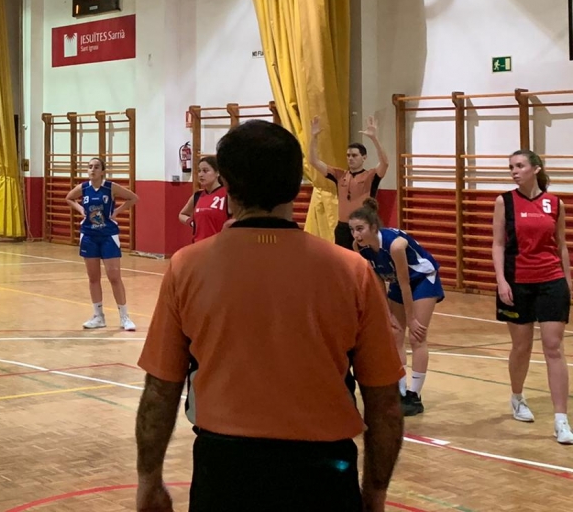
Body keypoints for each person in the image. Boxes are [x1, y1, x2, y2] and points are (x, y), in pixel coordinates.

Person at [135, 120, 404, 512]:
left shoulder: (186, 267)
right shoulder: (352, 272)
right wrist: (375, 493)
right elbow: (385, 402)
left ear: (227, 185)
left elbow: (161, 390)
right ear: (296, 186)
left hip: (224, 468)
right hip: (325, 470)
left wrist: (149, 481)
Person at [492, 149, 571, 445]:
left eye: (520, 166)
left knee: (554, 347)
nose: (514, 171)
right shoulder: (504, 202)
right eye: (511, 167)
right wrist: (501, 280)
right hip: (517, 283)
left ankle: (561, 420)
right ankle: (517, 397)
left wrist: (567, 281)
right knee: (521, 347)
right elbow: (498, 244)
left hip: (551, 281)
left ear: (535, 168)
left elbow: (561, 244)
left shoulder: (555, 203)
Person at [349, 198, 443, 417]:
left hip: (421, 279)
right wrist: (386, 312)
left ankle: (414, 395)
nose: (356, 235)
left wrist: (411, 318)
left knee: (417, 336)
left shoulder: (395, 245)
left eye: (360, 229)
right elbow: (378, 281)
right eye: (352, 230)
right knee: (394, 335)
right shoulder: (359, 248)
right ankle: (400, 392)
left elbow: (405, 282)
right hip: (398, 283)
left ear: (374, 227)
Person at [66, 157, 139, 331]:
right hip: (89, 235)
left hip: (108, 235)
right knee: (93, 278)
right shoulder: (84, 188)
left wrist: (117, 211)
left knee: (114, 277)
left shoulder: (110, 187)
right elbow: (69, 198)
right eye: (90, 167)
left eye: (96, 167)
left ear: (102, 171)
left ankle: (124, 317)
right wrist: (81, 209)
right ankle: (98, 316)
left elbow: (133, 198)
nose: (92, 170)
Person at [309, 115, 390, 249]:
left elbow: (385, 163)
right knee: (341, 260)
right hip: (342, 228)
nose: (350, 158)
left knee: (363, 260)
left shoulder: (370, 175)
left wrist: (374, 138)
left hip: (363, 228)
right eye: (348, 155)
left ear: (364, 157)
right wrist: (314, 137)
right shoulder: (339, 175)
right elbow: (314, 161)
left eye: (354, 155)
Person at [178, 156, 228, 244]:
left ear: (217, 173)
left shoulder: (227, 194)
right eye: (199, 171)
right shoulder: (197, 196)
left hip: (219, 246)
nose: (201, 174)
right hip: (199, 246)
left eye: (205, 171)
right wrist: (191, 222)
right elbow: (182, 214)